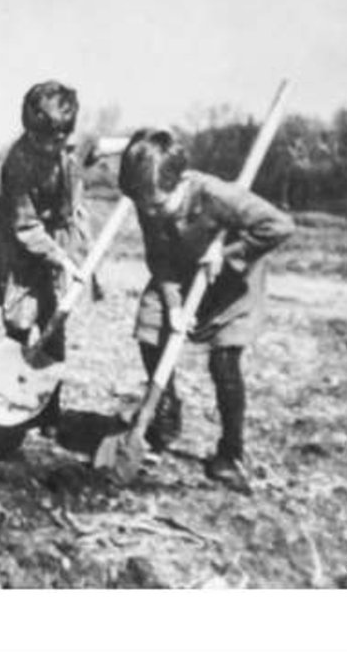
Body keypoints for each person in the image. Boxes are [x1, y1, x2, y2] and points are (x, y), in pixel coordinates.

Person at [117, 128, 295, 490]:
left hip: (232, 285)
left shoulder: (216, 195)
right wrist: (173, 306)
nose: (150, 212)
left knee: (223, 363)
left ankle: (230, 453)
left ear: (181, 181)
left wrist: (227, 253)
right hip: (181, 276)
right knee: (150, 327)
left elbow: (280, 225)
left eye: (158, 205)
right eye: (143, 205)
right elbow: (159, 258)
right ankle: (164, 416)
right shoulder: (147, 198)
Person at [0, 80, 121, 378]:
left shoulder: (71, 142)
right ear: (30, 130)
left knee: (55, 314)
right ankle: (10, 381)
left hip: (62, 233)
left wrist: (137, 143)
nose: (53, 146)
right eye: (45, 139)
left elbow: (97, 147)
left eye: (60, 137)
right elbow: (26, 226)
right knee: (19, 317)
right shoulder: (19, 162)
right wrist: (63, 260)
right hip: (22, 239)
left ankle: (49, 394)